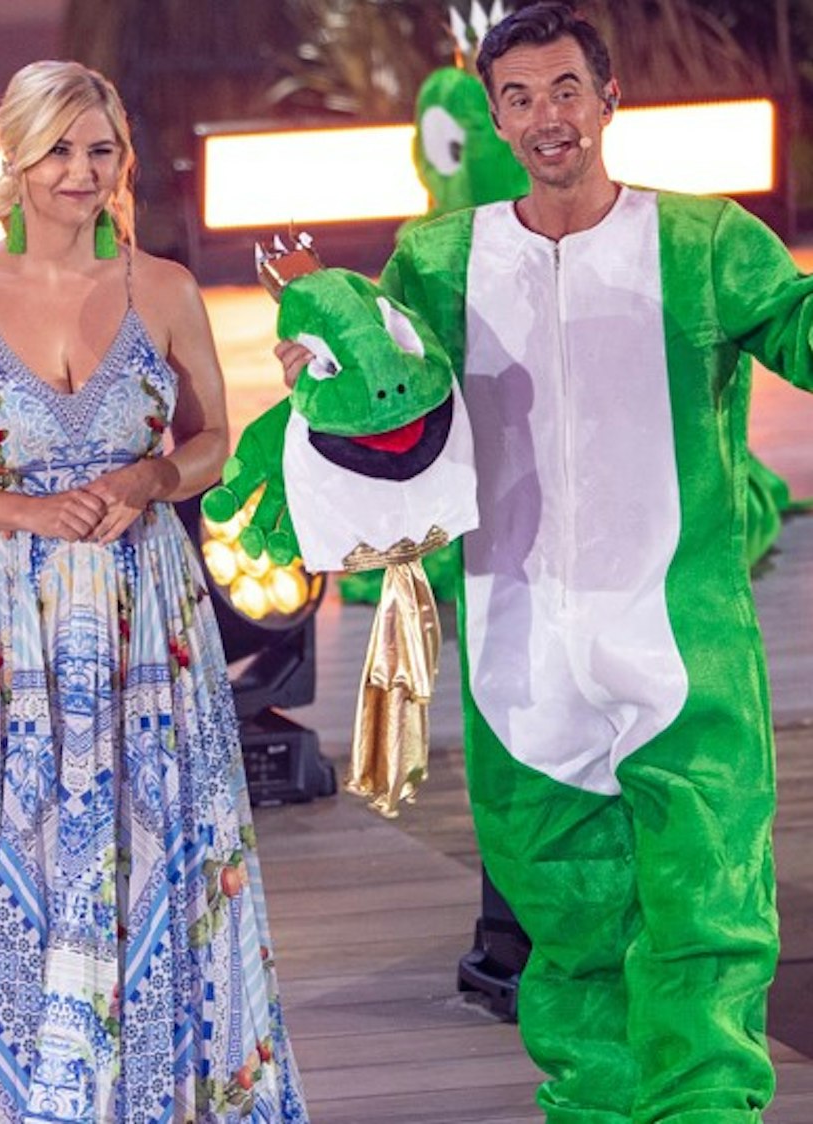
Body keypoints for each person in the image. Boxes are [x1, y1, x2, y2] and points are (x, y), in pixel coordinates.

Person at [264, 4, 813, 1119]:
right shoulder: (440, 257)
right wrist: (319, 358)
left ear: (609, 100)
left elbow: (800, 328)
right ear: (497, 119)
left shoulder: (702, 241)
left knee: (706, 915)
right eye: (518, 98)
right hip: (517, 649)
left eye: (565, 89)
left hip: (677, 647)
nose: (545, 117)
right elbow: (386, 396)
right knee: (568, 931)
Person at [0, 60, 309, 1122]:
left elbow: (211, 441)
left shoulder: (166, 288)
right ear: (13, 154)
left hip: (146, 617)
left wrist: (151, 475)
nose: (81, 172)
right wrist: (30, 513)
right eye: (58, 149)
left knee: (147, 847)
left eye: (99, 149)